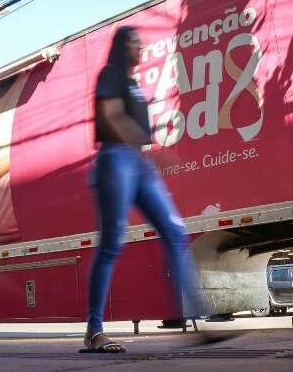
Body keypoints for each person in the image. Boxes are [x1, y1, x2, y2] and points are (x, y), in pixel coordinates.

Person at [83, 26, 207, 353]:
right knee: (111, 245)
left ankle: (195, 319)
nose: (140, 48)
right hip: (115, 160)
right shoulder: (110, 75)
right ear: (122, 46)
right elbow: (110, 116)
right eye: (135, 43)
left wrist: (148, 154)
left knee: (175, 233)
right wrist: (147, 147)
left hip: (138, 163)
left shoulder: (134, 84)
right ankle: (94, 330)